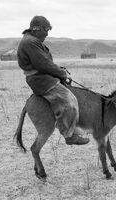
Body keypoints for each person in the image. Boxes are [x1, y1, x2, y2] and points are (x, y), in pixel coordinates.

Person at [17, 16, 89, 145]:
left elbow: (44, 63)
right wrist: (63, 74)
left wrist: (59, 72)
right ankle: (69, 135)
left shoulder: (31, 40)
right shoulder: (30, 42)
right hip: (41, 80)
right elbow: (44, 64)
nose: (47, 34)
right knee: (70, 101)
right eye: (46, 30)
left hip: (43, 77)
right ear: (37, 29)